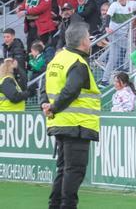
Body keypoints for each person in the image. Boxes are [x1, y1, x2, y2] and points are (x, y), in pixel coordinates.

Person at [42, 23, 100, 209]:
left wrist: (47, 104)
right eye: (89, 37)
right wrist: (54, 107)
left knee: (63, 169)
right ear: (83, 41)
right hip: (77, 125)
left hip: (60, 123)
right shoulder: (78, 63)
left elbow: (44, 87)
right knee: (74, 171)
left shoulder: (56, 60)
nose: (90, 40)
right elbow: (71, 90)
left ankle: (55, 205)